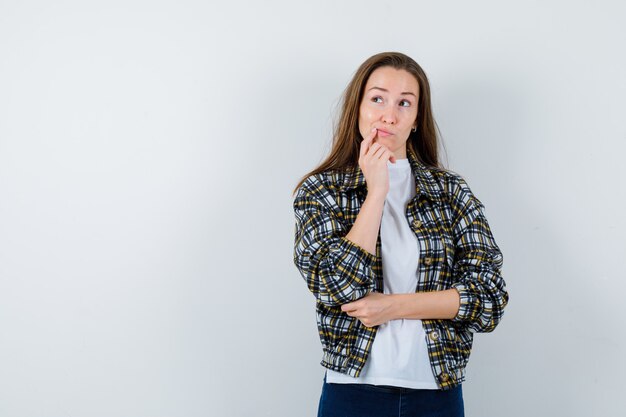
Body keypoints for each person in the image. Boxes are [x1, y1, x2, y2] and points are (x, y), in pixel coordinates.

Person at [291, 51, 509, 417]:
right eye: (377, 98)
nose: (389, 115)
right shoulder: (321, 191)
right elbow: (337, 287)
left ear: (415, 119)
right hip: (352, 390)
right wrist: (376, 193)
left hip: (436, 392)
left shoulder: (451, 192)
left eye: (404, 103)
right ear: (357, 107)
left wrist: (391, 307)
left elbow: (489, 300)